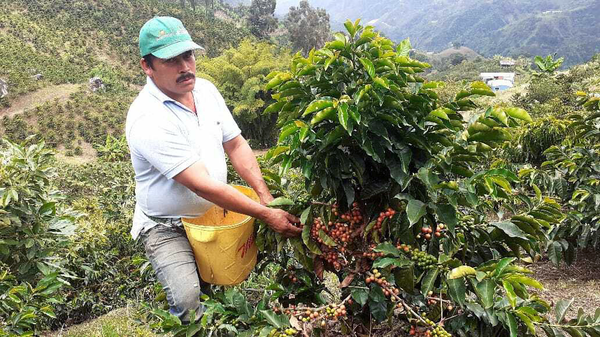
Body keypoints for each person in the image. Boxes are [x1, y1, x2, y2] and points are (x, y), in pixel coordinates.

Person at [125, 16, 301, 322]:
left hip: (211, 217)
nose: (185, 67)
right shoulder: (148, 118)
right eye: (171, 60)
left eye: (188, 55)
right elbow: (201, 184)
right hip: (167, 226)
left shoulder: (205, 91)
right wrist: (266, 214)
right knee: (187, 298)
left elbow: (235, 144)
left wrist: (265, 195)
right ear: (147, 67)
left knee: (218, 284)